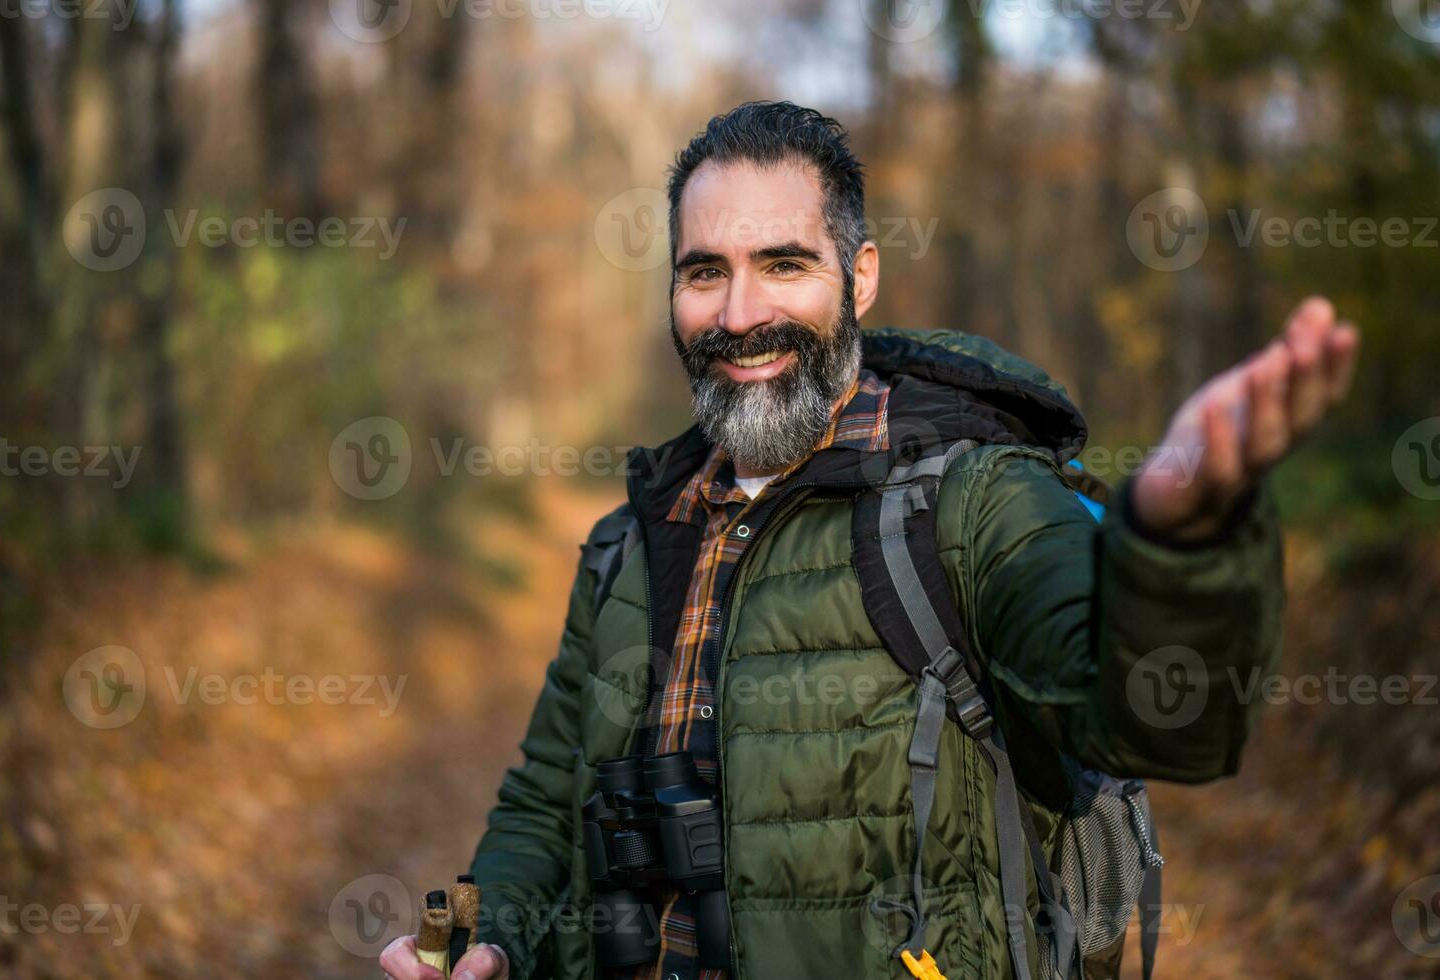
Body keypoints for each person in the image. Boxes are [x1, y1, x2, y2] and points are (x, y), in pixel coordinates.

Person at [380, 101, 1359, 980]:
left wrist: (1177, 542)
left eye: (784, 264)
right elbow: (545, 799)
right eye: (704, 271)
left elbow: (1158, 720)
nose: (739, 313)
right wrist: (491, 933)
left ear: (861, 274)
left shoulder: (975, 504)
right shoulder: (627, 542)